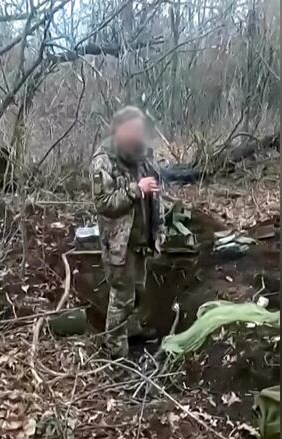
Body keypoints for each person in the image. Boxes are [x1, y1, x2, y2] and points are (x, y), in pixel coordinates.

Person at [90, 106, 163, 358]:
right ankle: (115, 351)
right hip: (119, 244)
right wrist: (136, 190)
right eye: (132, 131)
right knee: (121, 298)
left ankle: (132, 331)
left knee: (138, 292)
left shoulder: (142, 156)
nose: (138, 135)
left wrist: (158, 227)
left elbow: (155, 195)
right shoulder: (103, 160)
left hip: (142, 239)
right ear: (119, 130)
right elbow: (104, 204)